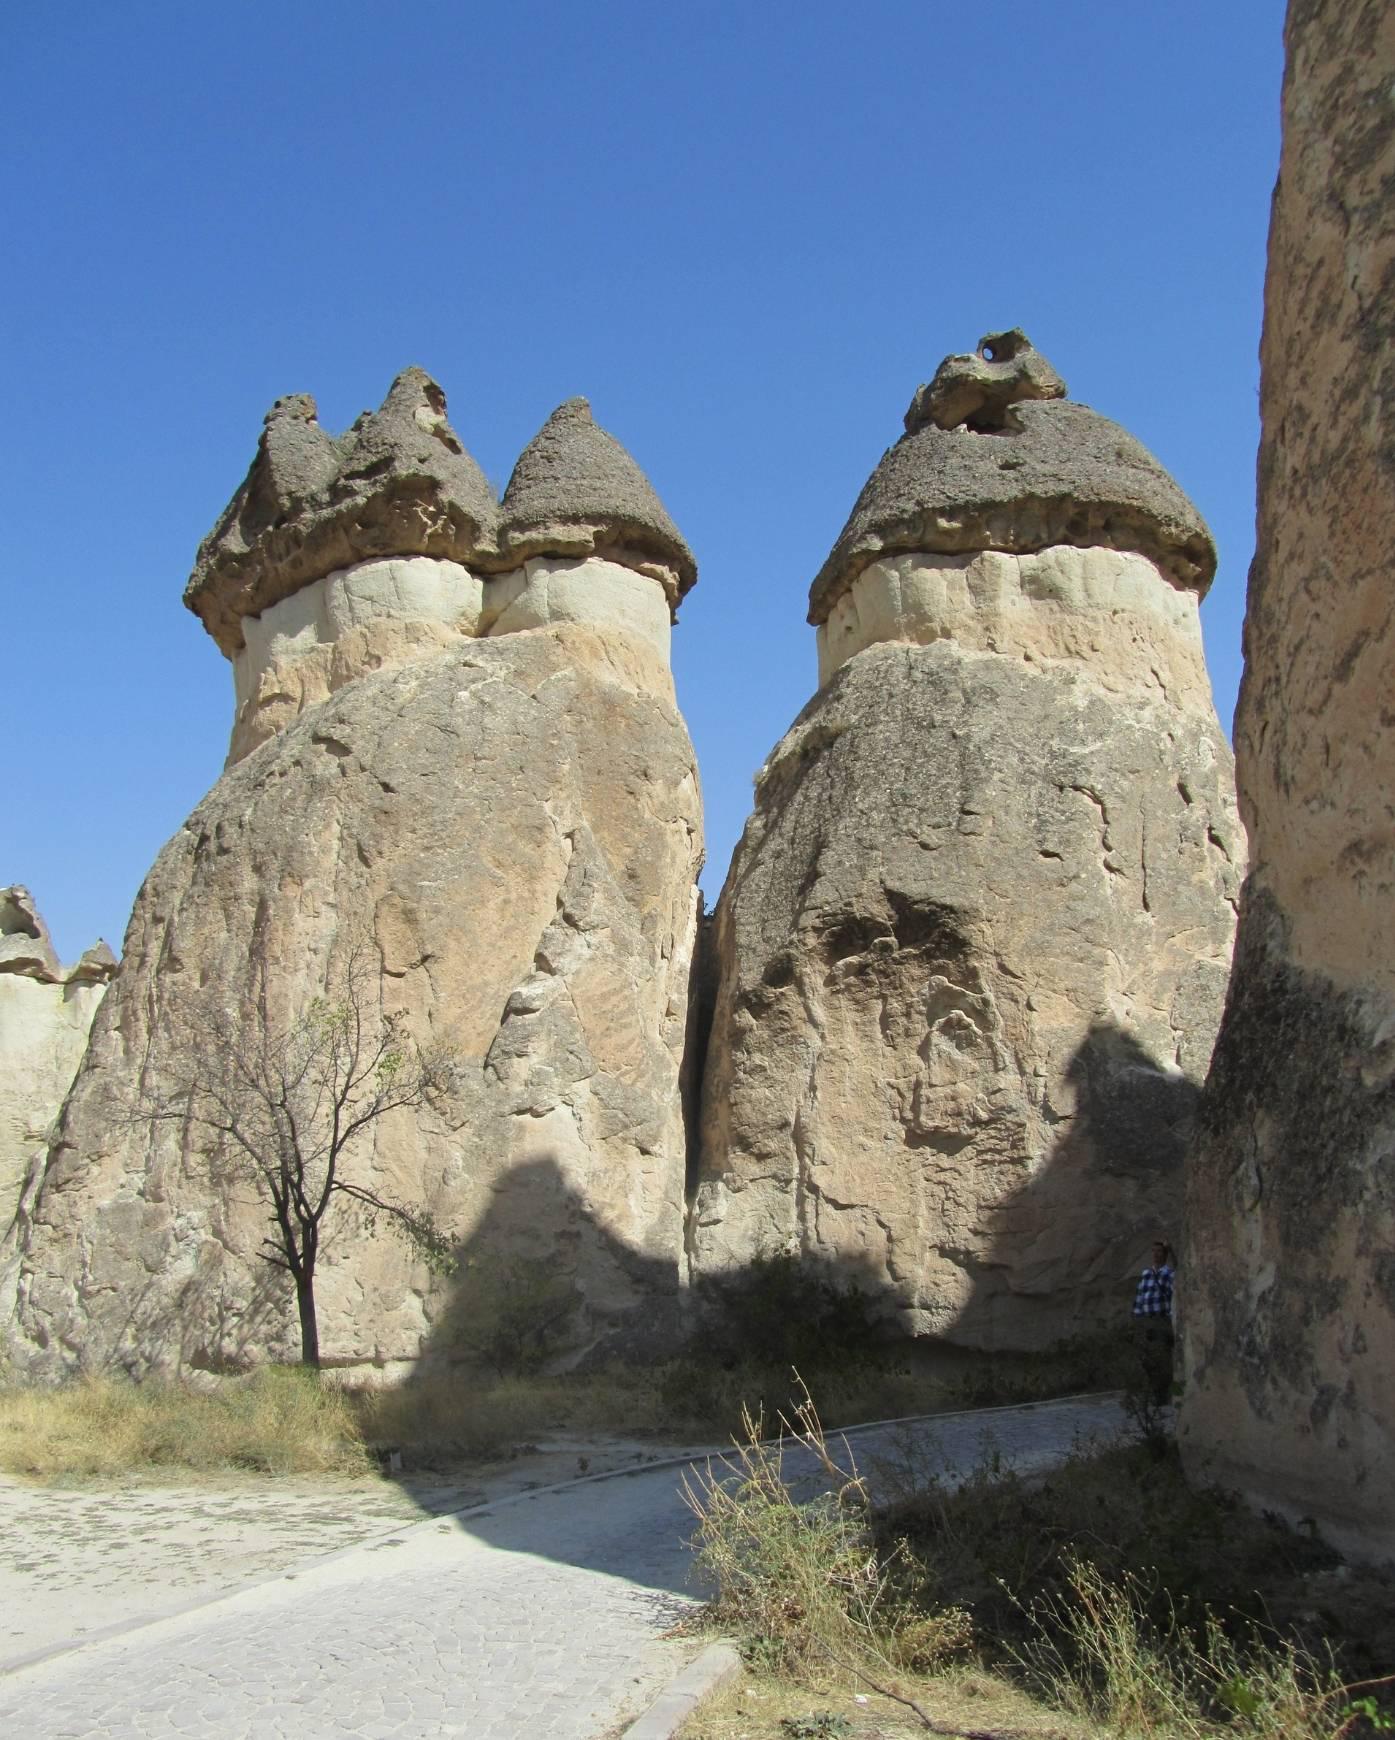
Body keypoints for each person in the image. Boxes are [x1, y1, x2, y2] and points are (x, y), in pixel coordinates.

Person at [1131, 1240, 1175, 1405]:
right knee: (1149, 1359)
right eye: (1153, 1251)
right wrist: (1137, 1316)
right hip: (1147, 1320)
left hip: (1161, 1319)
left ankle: (1163, 1395)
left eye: (1159, 1252)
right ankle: (1156, 1393)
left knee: (1162, 1357)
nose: (1155, 1255)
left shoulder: (1169, 1273)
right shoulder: (1146, 1273)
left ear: (1164, 1255)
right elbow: (1140, 1295)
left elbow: (1173, 1294)